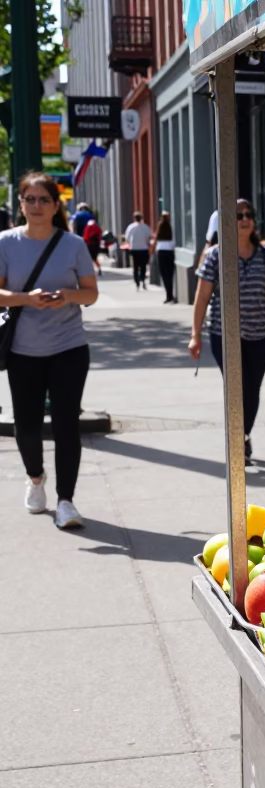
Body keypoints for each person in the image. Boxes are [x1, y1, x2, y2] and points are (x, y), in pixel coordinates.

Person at [0, 172, 98, 528]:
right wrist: (28, 298)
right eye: (30, 199)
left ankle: (66, 500)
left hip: (69, 347)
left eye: (45, 199)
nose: (37, 206)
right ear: (21, 204)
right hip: (23, 351)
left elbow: (90, 292)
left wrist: (68, 296)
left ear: (57, 206)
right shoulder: (6, 242)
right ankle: (35, 478)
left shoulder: (72, 244)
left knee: (66, 425)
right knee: (25, 426)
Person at [188, 199, 265, 465]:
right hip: (224, 335)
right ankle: (238, 440)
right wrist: (195, 334)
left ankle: (242, 435)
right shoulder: (215, 255)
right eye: (238, 215)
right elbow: (202, 297)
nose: (244, 219)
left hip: (261, 335)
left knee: (252, 388)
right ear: (227, 221)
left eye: (248, 215)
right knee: (235, 388)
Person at [124, 211, 153, 290]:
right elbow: (149, 237)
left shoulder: (131, 227)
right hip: (143, 249)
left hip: (134, 249)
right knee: (143, 266)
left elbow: (127, 238)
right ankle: (143, 280)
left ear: (134, 218)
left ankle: (137, 282)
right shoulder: (146, 227)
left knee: (135, 266)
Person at [155, 212, 176, 304]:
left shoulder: (160, 227)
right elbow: (174, 241)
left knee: (164, 274)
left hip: (161, 251)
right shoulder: (171, 227)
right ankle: (170, 294)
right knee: (170, 274)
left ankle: (168, 295)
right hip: (170, 251)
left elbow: (156, 239)